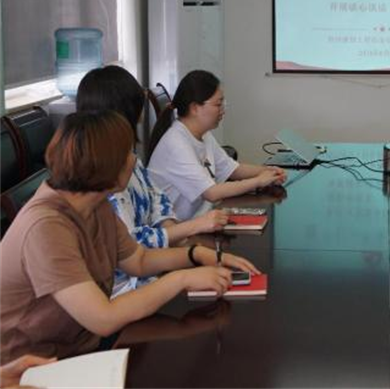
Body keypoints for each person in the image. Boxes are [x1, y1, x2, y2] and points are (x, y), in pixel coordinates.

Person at [0, 111, 259, 362]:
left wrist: (197, 255)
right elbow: (103, 318)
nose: (134, 161)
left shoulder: (94, 204)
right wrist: (182, 279)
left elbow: (139, 260)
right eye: (127, 153)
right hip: (32, 366)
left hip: (78, 345)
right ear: (105, 164)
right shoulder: (46, 227)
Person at [76, 66, 231, 296]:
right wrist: (191, 233)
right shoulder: (100, 179)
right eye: (137, 114)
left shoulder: (128, 158)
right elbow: (132, 248)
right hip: (129, 288)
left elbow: (157, 199)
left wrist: (179, 239)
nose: (140, 120)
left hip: (154, 266)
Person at [147, 70, 286, 220]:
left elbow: (232, 169)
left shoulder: (203, 134)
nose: (222, 110)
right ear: (195, 108)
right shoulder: (176, 144)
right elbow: (212, 193)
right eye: (218, 104)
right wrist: (258, 181)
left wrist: (268, 171)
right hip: (179, 229)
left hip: (201, 218)